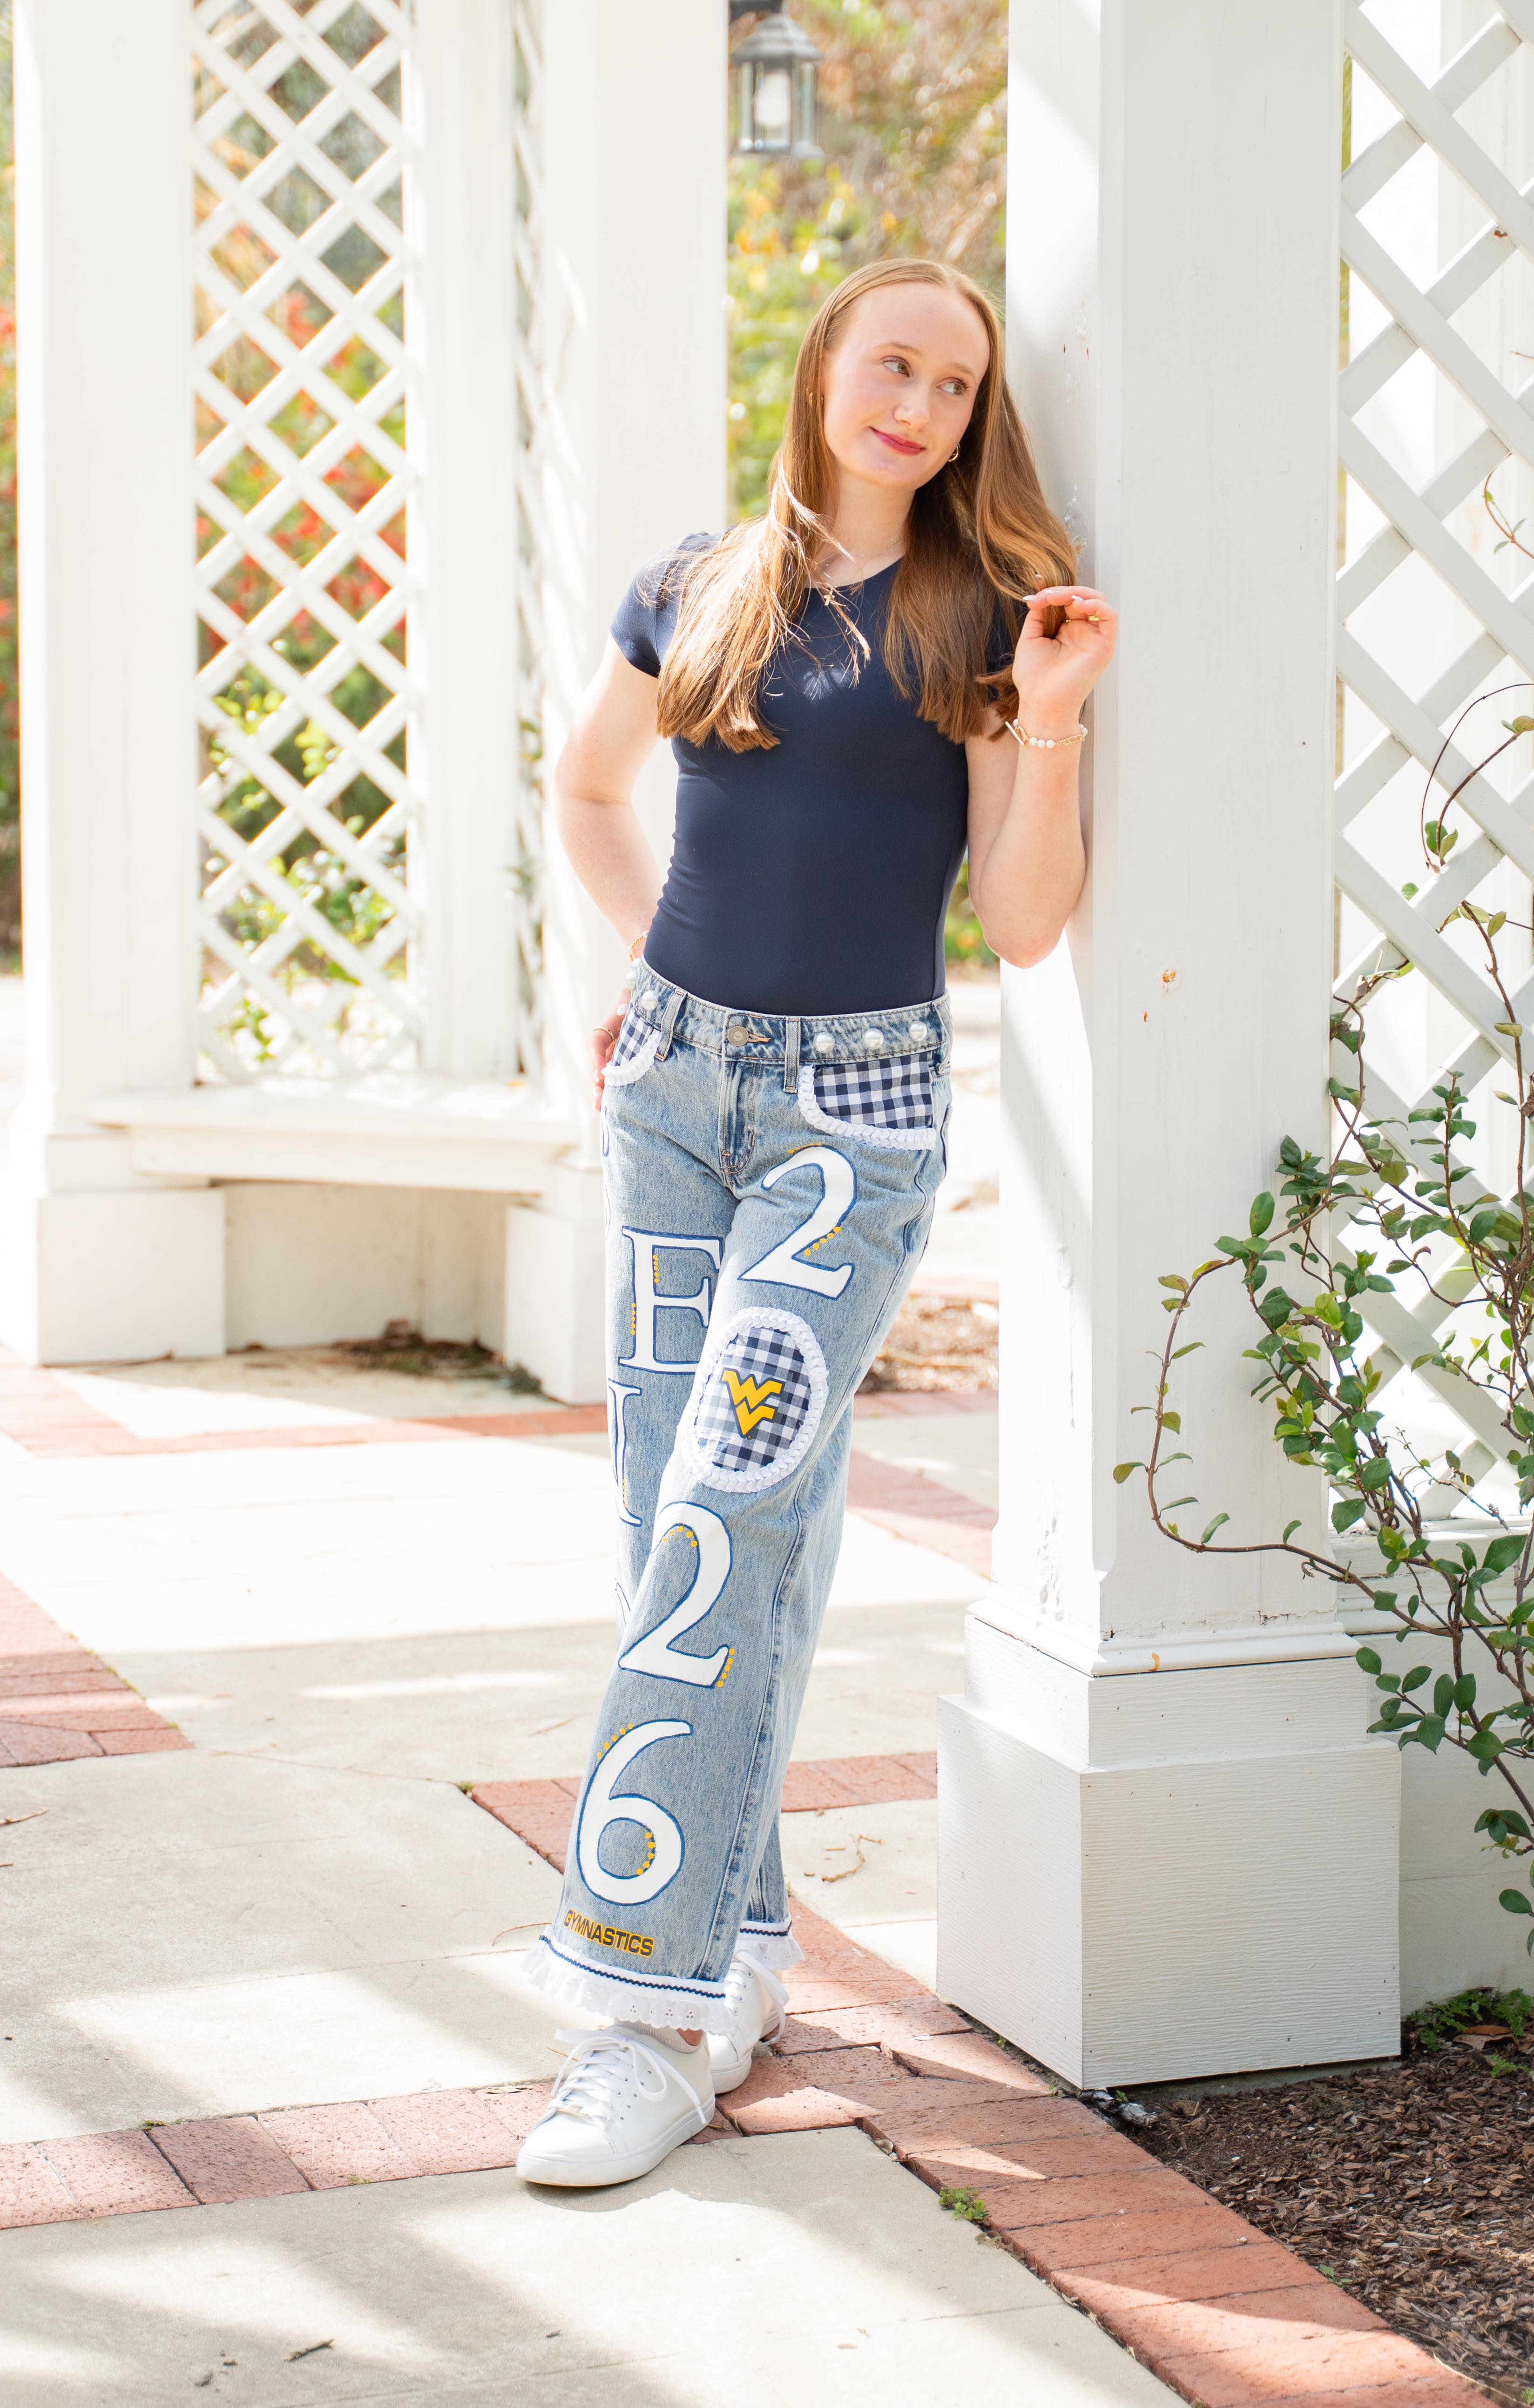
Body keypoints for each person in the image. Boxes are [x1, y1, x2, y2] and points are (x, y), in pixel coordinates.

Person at [516, 255, 1115, 2191]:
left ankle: (634, 2011)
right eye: (893, 363)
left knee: (724, 1514)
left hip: (851, 1114)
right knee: (667, 1518)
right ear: (824, 370)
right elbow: (588, 786)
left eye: (955, 383)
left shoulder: (973, 616)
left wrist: (1057, 718)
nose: (919, 404)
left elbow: (1021, 922)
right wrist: (649, 965)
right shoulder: (700, 585)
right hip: (675, 1094)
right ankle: (738, 1950)